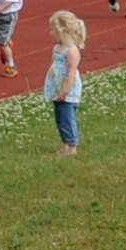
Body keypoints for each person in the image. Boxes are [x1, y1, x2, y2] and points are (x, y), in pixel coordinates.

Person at [44, 10, 87, 156]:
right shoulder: (57, 48)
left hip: (67, 91)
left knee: (67, 118)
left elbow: (71, 73)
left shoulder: (72, 51)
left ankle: (72, 145)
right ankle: (65, 144)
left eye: (53, 30)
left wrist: (66, 91)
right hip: (58, 87)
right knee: (60, 118)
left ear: (62, 30)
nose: (50, 33)